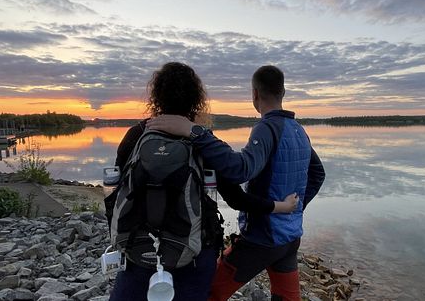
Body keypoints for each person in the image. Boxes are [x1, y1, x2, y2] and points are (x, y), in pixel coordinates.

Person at [108, 62, 299, 301]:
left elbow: (118, 188)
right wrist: (278, 207)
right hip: (195, 250)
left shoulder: (137, 134)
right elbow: (237, 199)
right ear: (196, 99)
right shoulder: (203, 141)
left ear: (156, 96)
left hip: (139, 247)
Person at [148, 65, 326, 301]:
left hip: (261, 239)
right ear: (283, 92)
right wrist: (295, 208)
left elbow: (240, 170)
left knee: (208, 292)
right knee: (287, 297)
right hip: (290, 238)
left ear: (254, 94)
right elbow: (318, 174)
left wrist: (196, 132)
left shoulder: (267, 127)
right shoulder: (299, 130)